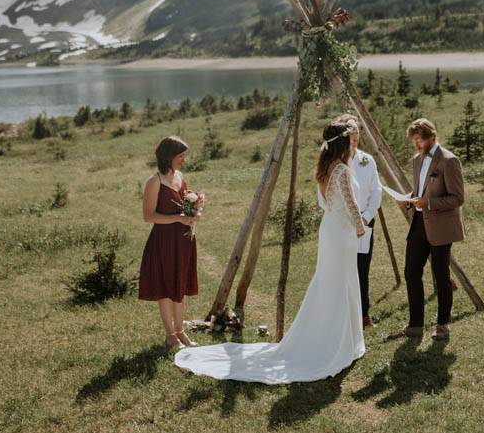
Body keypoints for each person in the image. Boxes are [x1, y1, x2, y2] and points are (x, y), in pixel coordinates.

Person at [174, 119, 366, 383]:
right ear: (343, 142)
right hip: (342, 232)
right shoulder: (342, 169)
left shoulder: (325, 166)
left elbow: (330, 203)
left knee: (331, 282)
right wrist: (360, 227)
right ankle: (338, 342)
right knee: (340, 283)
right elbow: (351, 203)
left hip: (331, 229)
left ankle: (340, 337)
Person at [393, 118, 465, 340]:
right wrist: (406, 199)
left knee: (441, 276)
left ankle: (442, 325)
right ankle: (415, 325)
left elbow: (457, 198)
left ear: (432, 137)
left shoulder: (449, 161)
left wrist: (429, 203)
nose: (416, 144)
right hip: (418, 225)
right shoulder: (417, 160)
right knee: (411, 272)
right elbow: (419, 192)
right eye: (413, 140)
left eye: (420, 140)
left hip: (441, 227)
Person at [139, 136, 203, 350]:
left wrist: (194, 212)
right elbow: (148, 216)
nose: (184, 160)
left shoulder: (180, 176)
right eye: (181, 156)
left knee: (180, 284)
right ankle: (170, 336)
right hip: (164, 241)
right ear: (169, 156)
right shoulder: (154, 181)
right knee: (166, 287)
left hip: (183, 239)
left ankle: (180, 331)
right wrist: (178, 219)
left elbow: (184, 206)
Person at [333, 113, 382, 328]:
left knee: (362, 269)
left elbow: (376, 192)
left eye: (357, 134)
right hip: (341, 223)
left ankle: (363, 314)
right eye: (350, 134)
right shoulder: (334, 162)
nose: (355, 138)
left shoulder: (367, 160)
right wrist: (347, 218)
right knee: (341, 269)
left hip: (364, 221)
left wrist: (366, 217)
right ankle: (341, 314)